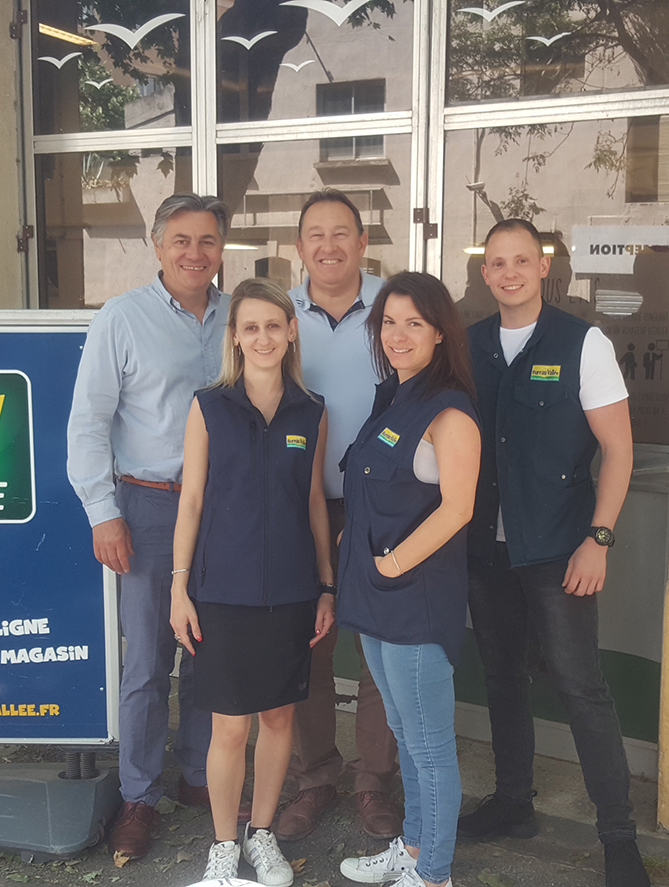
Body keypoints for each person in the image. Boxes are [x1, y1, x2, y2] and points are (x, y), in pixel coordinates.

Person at [456, 219, 649, 887]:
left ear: (544, 268)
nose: (509, 272)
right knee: (503, 676)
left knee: (580, 686)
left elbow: (618, 450)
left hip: (560, 548)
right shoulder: (469, 344)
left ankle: (618, 837)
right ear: (486, 273)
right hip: (487, 550)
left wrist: (598, 539)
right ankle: (514, 802)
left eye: (522, 260)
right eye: (497, 262)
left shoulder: (580, 341)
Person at [66, 193, 228, 860]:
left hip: (226, 510)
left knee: (209, 650)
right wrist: (103, 511)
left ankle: (197, 774)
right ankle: (139, 792)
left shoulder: (238, 315)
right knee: (147, 662)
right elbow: (87, 421)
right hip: (150, 506)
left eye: (208, 241)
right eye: (182, 240)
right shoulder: (122, 318)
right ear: (158, 246)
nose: (196, 253)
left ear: (223, 249)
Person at [170, 279, 336, 886]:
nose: (262, 337)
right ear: (234, 338)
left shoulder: (311, 410)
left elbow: (314, 501)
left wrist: (325, 585)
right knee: (229, 726)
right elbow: (190, 501)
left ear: (291, 331)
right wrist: (179, 587)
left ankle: (262, 834)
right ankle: (222, 845)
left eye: (273, 325)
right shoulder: (209, 406)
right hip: (220, 591)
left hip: (291, 593)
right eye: (250, 327)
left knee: (277, 720)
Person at [336, 272, 480, 887]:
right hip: (375, 598)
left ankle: (434, 874)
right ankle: (414, 849)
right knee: (402, 731)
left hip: (415, 600)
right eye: (388, 322)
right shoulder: (394, 397)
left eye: (413, 323)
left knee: (428, 748)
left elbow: (458, 507)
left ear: (441, 332)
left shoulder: (449, 412)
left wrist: (392, 564)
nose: (398, 335)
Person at [281, 188, 401, 841]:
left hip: (381, 503)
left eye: (341, 233)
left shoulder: (394, 307)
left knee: (378, 647)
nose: (328, 245)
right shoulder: (277, 313)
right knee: (311, 646)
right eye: (314, 235)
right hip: (298, 506)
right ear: (298, 248)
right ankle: (315, 774)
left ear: (362, 241)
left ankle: (373, 779)